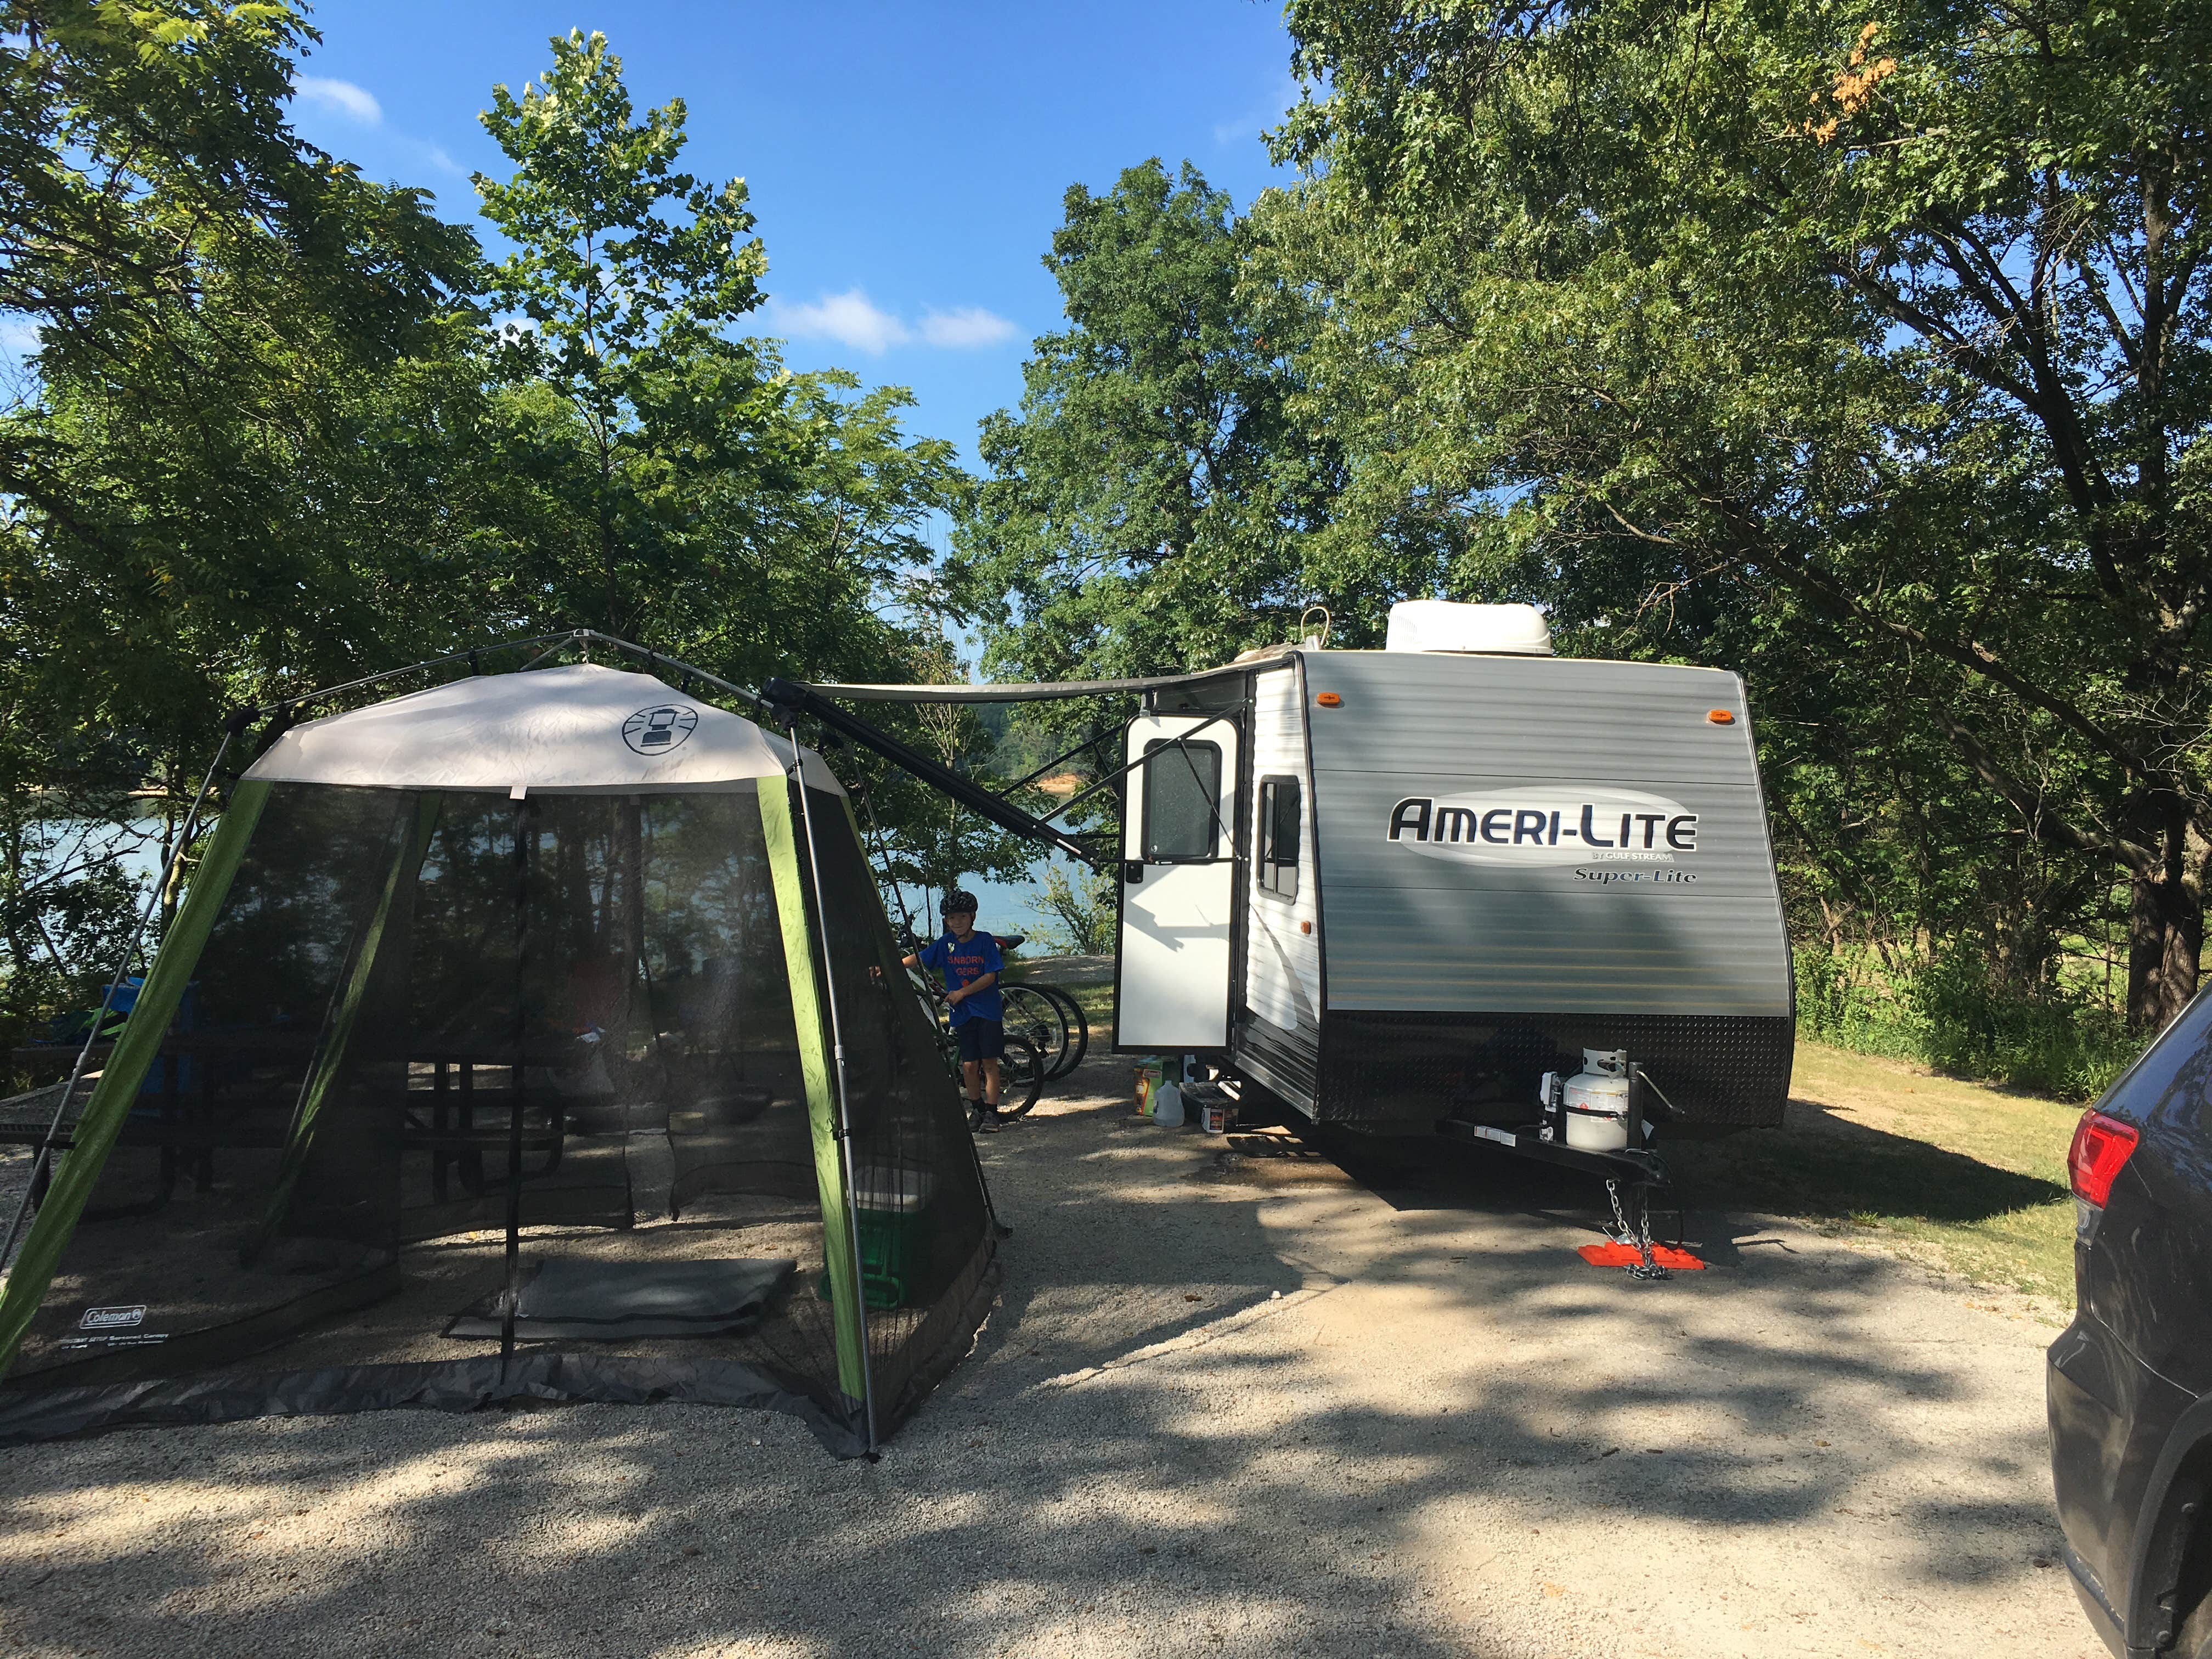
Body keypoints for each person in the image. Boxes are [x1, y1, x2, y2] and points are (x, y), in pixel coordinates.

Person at [902, 890, 1005, 1123]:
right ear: (946, 921)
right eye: (952, 919)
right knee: (969, 1065)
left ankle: (992, 1112)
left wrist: (962, 992)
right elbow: (919, 958)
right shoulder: (945, 944)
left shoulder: (985, 941)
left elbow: (990, 976)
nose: (957, 923)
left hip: (987, 1011)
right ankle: (977, 1109)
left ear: (972, 918)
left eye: (962, 918)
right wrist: (889, 966)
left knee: (989, 1062)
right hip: (963, 1014)